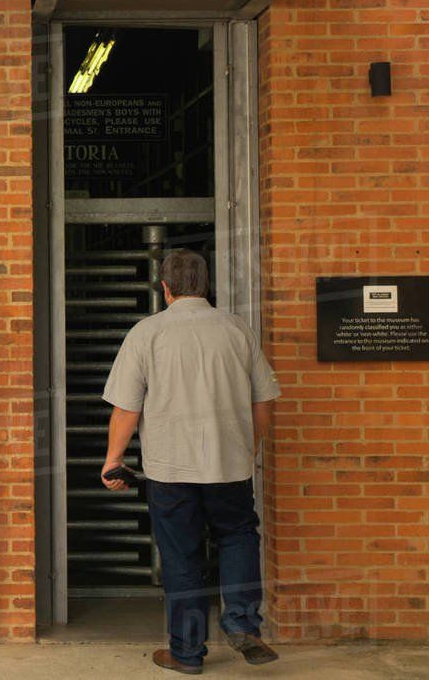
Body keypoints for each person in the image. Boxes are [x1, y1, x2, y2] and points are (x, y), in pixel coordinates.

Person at [100, 249, 280, 675]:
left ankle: (187, 653)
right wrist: (248, 447)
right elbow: (264, 402)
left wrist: (112, 461)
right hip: (229, 467)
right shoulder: (238, 331)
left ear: (165, 288)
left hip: (170, 471)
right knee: (238, 537)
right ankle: (241, 622)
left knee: (182, 559)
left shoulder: (147, 333)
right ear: (205, 285)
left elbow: (126, 409)